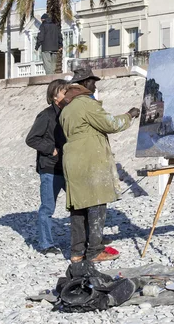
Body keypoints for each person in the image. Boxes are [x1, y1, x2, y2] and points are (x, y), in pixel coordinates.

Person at [59, 67, 140, 263]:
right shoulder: (86, 104)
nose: (95, 86)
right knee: (96, 202)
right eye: (93, 82)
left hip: (72, 159)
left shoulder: (66, 108)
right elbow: (111, 124)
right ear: (86, 83)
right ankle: (95, 250)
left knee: (78, 206)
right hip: (89, 159)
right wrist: (130, 115)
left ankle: (77, 252)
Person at [25, 79, 69, 255]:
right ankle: (45, 245)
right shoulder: (46, 115)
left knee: (80, 205)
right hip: (50, 169)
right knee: (48, 208)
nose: (67, 94)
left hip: (68, 167)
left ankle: (87, 240)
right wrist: (51, 150)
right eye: (64, 91)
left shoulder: (69, 113)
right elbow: (31, 139)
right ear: (54, 95)